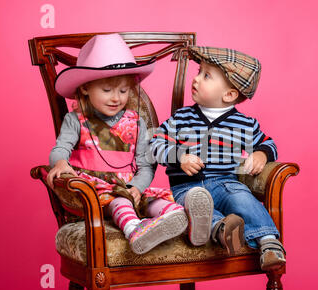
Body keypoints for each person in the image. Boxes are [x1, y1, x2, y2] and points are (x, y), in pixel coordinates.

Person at [47, 33, 199, 255]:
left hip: (129, 186)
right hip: (95, 193)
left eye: (123, 90)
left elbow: (145, 166)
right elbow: (60, 148)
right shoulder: (76, 120)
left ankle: (177, 218)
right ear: (85, 88)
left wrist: (136, 187)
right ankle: (135, 230)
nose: (116, 98)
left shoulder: (136, 124)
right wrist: (60, 163)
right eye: (107, 90)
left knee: (153, 201)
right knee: (120, 202)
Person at [150, 46, 286, 270]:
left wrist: (262, 153)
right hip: (187, 188)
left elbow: (269, 142)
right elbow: (154, 143)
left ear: (229, 94)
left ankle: (269, 243)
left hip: (226, 184)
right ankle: (222, 230)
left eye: (206, 76)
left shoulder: (244, 124)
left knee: (242, 198)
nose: (195, 79)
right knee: (198, 208)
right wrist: (180, 157)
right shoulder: (182, 118)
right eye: (198, 71)